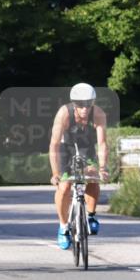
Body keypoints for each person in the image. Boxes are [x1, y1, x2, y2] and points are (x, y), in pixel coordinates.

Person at [49, 83, 109, 249]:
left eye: (88, 104)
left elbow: (102, 143)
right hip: (65, 149)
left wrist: (103, 168)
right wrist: (55, 173)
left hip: (87, 149)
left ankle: (90, 215)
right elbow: (54, 145)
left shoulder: (98, 114)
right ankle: (63, 227)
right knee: (64, 186)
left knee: (93, 178)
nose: (84, 109)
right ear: (74, 104)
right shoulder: (64, 114)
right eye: (80, 105)